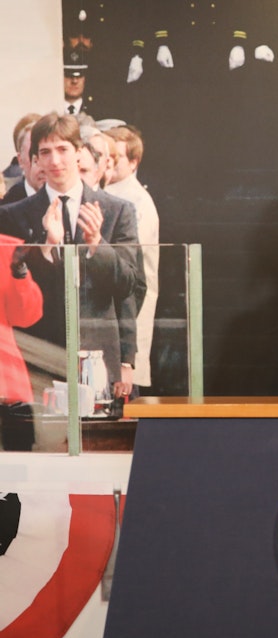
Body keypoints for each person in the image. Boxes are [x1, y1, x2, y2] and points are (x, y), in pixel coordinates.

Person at [0, 113, 144, 398]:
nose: (55, 161)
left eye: (63, 149)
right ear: (35, 159)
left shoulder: (117, 211)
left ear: (79, 153)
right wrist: (46, 247)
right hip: (39, 358)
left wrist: (97, 244)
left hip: (99, 358)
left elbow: (130, 287)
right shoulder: (12, 215)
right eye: (45, 152)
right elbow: (14, 295)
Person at [106, 125, 160, 392]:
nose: (109, 163)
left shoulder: (137, 202)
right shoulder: (110, 194)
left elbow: (130, 271)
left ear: (133, 162)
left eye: (116, 158)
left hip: (128, 316)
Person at [0, 237, 42, 450]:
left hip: (7, 388)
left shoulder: (7, 248)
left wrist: (19, 272)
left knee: (17, 464)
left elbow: (27, 316)